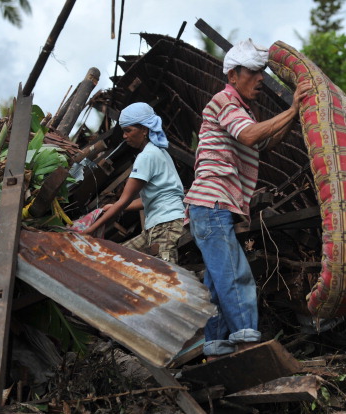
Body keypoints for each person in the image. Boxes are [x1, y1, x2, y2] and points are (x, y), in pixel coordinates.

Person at [183, 38, 312, 359]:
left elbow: (262, 146)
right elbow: (252, 135)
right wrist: (293, 109)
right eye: (253, 73)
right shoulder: (225, 100)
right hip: (212, 205)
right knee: (235, 275)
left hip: (209, 208)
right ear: (232, 76)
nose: (260, 79)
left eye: (261, 73)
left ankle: (214, 349)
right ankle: (248, 346)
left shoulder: (241, 110)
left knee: (217, 283)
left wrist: (291, 116)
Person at [83, 102, 185, 264]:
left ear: (144, 130)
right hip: (160, 224)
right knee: (117, 261)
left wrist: (90, 230)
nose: (124, 136)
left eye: (128, 131)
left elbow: (124, 201)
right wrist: (112, 206)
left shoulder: (146, 156)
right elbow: (148, 199)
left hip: (165, 225)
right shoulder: (160, 152)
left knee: (165, 278)